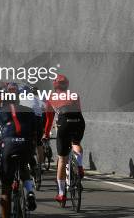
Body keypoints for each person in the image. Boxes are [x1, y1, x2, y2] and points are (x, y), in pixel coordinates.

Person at [0, 83, 37, 218]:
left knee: (5, 189)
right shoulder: (28, 110)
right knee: (24, 164)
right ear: (18, 98)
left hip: (8, 147)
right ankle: (30, 192)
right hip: (26, 145)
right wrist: (34, 143)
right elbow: (38, 129)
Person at [43, 74, 85, 205]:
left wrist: (46, 134)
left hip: (64, 122)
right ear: (67, 85)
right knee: (76, 143)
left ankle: (61, 194)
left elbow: (49, 119)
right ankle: (79, 165)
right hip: (79, 121)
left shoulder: (50, 97)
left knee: (62, 158)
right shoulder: (75, 95)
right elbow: (79, 110)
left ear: (55, 86)